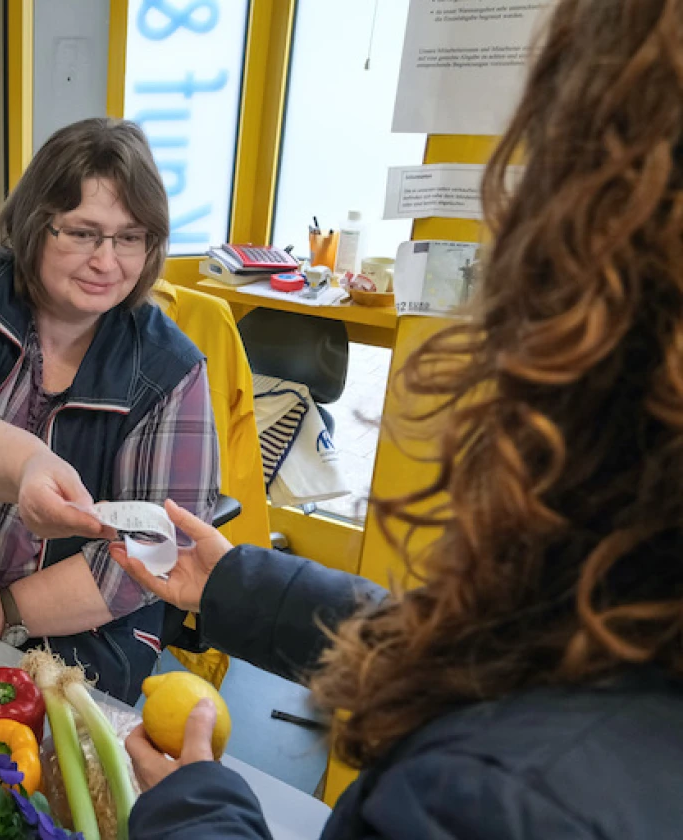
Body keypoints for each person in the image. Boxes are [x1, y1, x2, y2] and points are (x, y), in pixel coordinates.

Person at [114, 1, 683, 835]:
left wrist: (194, 806)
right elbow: (492, 656)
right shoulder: (620, 617)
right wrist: (241, 585)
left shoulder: (498, 798)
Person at [0, 118, 219, 703]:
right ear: (35, 224)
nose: (107, 261)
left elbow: (154, 546)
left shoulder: (171, 370)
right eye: (82, 233)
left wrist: (4, 607)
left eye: (131, 237)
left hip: (65, 624)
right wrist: (28, 464)